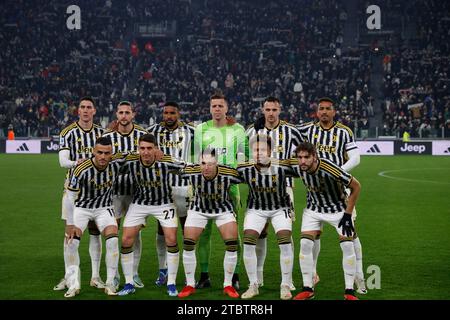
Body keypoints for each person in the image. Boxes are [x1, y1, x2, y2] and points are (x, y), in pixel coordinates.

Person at [297, 97, 366, 294]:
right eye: (321, 109)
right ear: (316, 112)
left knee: (351, 237)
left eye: (328, 109)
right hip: (316, 195)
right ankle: (311, 278)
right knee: (312, 237)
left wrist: (338, 174)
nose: (324, 112)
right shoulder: (308, 129)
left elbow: (356, 157)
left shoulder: (344, 131)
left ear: (334, 112)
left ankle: (359, 277)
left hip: (340, 190)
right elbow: (288, 130)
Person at [116, 134, 186, 297]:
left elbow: (187, 166)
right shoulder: (132, 162)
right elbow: (113, 159)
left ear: (156, 149)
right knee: (126, 239)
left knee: (171, 239)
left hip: (164, 203)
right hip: (140, 203)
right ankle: (128, 283)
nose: (146, 152)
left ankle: (171, 283)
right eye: (142, 148)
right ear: (138, 149)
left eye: (149, 148)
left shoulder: (166, 162)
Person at [291, 142, 361, 300]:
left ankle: (349, 291)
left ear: (314, 157)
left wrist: (348, 215)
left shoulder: (330, 168)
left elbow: (356, 186)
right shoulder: (297, 167)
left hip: (338, 210)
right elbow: (278, 164)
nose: (302, 161)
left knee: (347, 245)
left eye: (306, 157)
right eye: (300, 157)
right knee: (305, 244)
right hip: (313, 210)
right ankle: (307, 288)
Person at [193, 92, 249, 290]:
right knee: (204, 233)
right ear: (209, 108)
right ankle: (204, 275)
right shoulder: (201, 129)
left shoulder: (238, 129)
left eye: (220, 106)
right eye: (213, 106)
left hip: (230, 189)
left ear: (227, 108)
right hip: (205, 189)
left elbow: (245, 155)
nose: (217, 109)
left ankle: (235, 275)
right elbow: (196, 158)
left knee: (234, 234)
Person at [245, 96, 302, 289]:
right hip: (259, 187)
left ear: (280, 110)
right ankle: (258, 275)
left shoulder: (291, 130)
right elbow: (242, 153)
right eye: (267, 110)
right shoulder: (253, 130)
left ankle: (288, 279)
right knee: (260, 232)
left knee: (285, 232)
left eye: (274, 110)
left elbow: (302, 151)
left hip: (284, 187)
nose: (271, 113)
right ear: (263, 110)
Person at [54, 97, 106, 292]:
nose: (85, 110)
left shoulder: (102, 133)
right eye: (82, 107)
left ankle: (95, 277)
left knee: (95, 232)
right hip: (73, 190)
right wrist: (80, 162)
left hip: (96, 192)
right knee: (70, 234)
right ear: (78, 111)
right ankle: (69, 278)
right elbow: (62, 161)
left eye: (89, 107)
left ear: (94, 111)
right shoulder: (67, 132)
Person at [238, 134, 295, 300]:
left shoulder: (283, 167)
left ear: (271, 151)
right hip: (256, 209)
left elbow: (305, 169)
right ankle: (253, 284)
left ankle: (285, 284)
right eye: (256, 149)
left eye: (263, 149)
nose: (259, 152)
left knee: (285, 243)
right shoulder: (244, 168)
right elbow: (225, 175)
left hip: (280, 208)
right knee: (248, 243)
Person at [63, 136, 123, 297]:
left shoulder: (116, 163)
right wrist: (70, 222)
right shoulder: (81, 169)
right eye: (99, 152)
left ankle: (110, 283)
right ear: (93, 152)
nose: (103, 156)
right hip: (81, 208)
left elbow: (134, 154)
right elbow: (69, 197)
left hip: (104, 208)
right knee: (72, 243)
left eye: (107, 153)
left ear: (112, 153)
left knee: (113, 240)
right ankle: (73, 284)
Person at [177, 148, 241, 299]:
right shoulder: (191, 171)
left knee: (232, 244)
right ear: (199, 162)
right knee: (188, 243)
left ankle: (228, 284)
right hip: (198, 209)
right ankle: (190, 284)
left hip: (223, 210)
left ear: (217, 163)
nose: (206, 167)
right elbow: (172, 166)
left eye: (210, 164)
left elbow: (250, 174)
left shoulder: (229, 173)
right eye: (203, 163)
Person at [147, 101, 195, 287]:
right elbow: (135, 134)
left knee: (187, 230)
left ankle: (188, 273)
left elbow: (209, 139)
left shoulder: (191, 131)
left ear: (178, 114)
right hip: (162, 189)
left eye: (172, 113)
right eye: (166, 113)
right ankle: (163, 270)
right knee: (162, 231)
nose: (168, 116)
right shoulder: (153, 131)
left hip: (184, 187)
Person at [102, 101, 148, 289]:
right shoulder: (107, 137)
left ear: (133, 114)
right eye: (120, 112)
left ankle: (134, 272)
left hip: (136, 193)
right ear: (116, 114)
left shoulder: (142, 136)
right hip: (113, 193)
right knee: (112, 234)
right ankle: (113, 275)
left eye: (127, 112)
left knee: (134, 234)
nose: (123, 116)